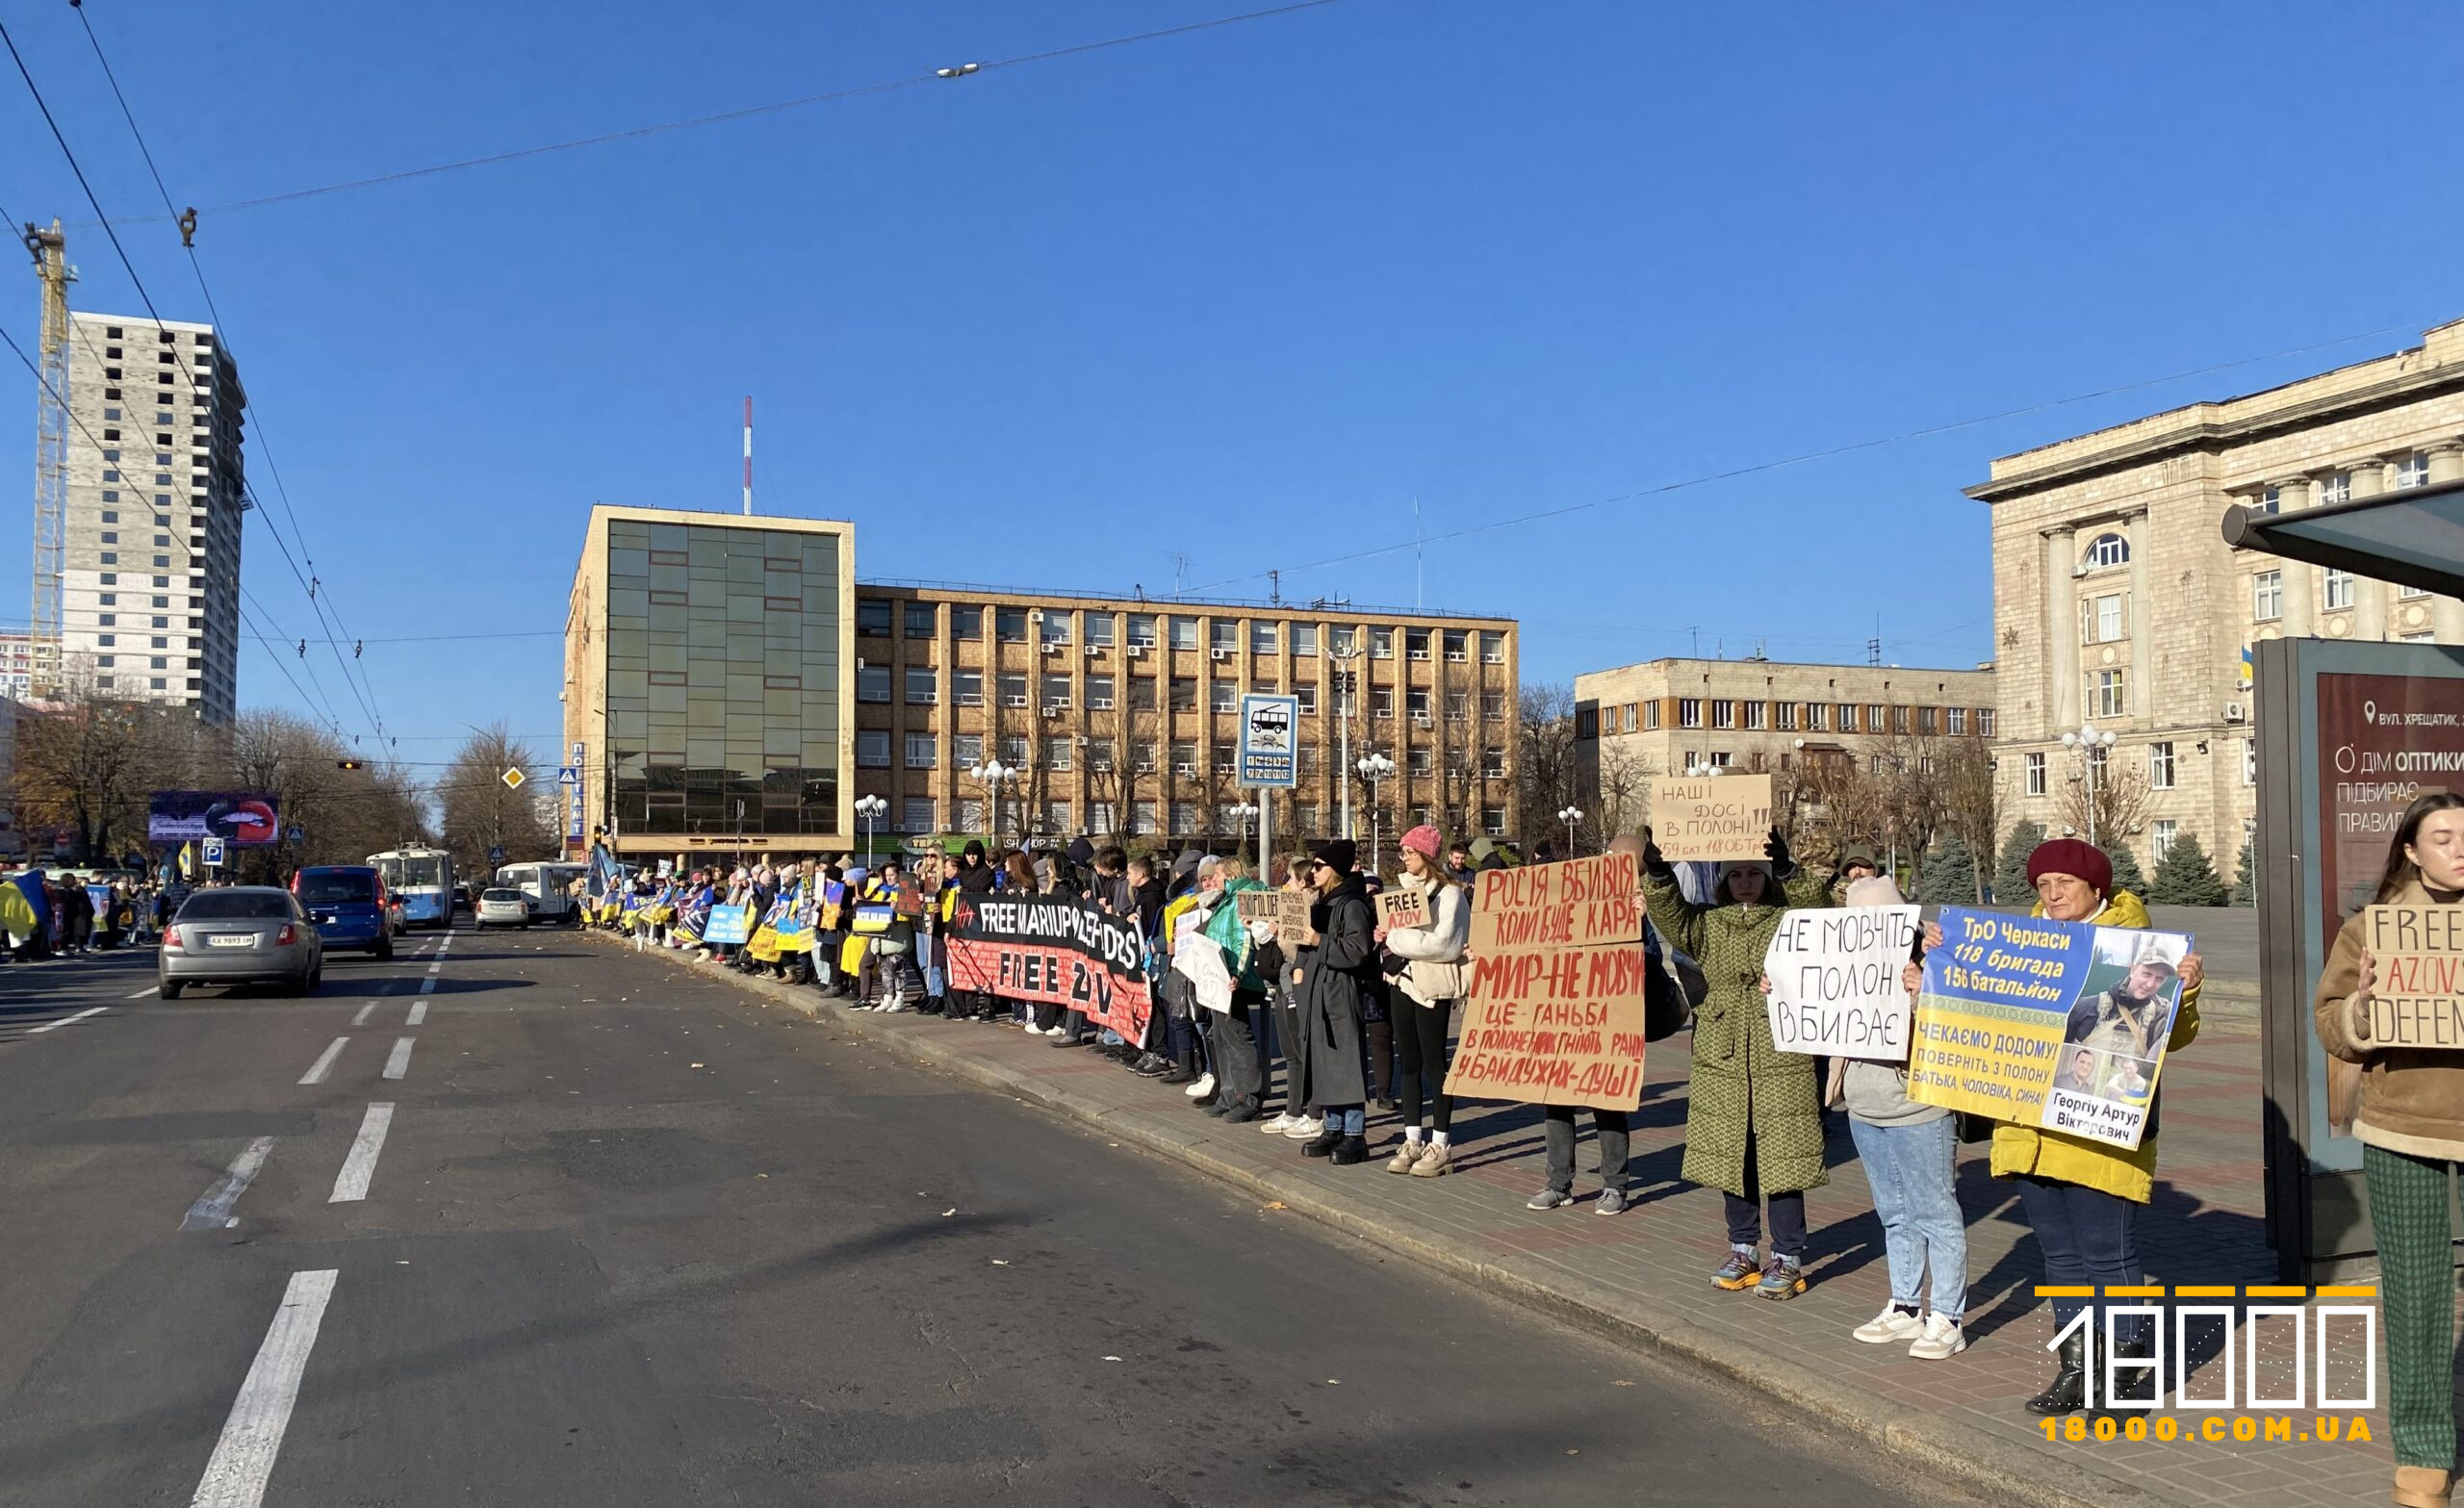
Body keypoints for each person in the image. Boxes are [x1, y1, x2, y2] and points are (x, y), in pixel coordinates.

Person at [1977, 836, 2203, 1419]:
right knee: (2060, 1258)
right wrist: (1929, 977)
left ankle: (2129, 1379)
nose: (2052, 895)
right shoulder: (2021, 947)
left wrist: (2188, 992)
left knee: (2109, 1254)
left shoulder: (2145, 953)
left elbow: (2171, 1039)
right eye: (2043, 885)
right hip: (2029, 1125)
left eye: (2065, 885)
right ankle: (2077, 1372)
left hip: (2101, 1126)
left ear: (2096, 889)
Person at [2317, 791, 2464, 1508]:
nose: (2460, 847)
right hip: (2404, 1123)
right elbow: (2331, 1023)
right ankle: (2424, 1457)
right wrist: (2365, 1008)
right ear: (2410, 848)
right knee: (2417, 1294)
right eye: (2443, 836)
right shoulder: (2373, 930)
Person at [1643, 831, 1829, 1294]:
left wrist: (1788, 870)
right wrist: (1660, 874)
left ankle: (1787, 1256)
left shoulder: (1789, 918)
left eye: (1755, 874)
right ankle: (1743, 1248)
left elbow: (1826, 916)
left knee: (1783, 1156)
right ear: (1724, 881)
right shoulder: (1709, 923)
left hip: (1780, 1048)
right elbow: (1670, 916)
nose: (1746, 882)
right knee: (1733, 1154)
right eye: (1737, 874)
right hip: (1721, 1050)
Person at [1828, 874, 1967, 1360]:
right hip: (1864, 1108)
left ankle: (1948, 1315)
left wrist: (1926, 991)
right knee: (1894, 1214)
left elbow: (1966, 1022)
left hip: (1919, 1108)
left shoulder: (1936, 962)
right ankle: (1906, 1306)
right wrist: (1779, 988)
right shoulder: (1838, 965)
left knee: (1936, 1212)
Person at [1378, 824, 1469, 1177]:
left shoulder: (1450, 894)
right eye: (1403, 852)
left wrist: (1396, 941)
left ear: (1427, 856)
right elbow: (1392, 935)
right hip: (1402, 982)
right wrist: (1386, 936)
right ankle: (1412, 1138)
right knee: (1409, 1063)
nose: (1404, 859)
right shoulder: (1402, 892)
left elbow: (1443, 944)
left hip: (1433, 987)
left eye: (1410, 853)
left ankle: (1441, 1142)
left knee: (1436, 1065)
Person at [1288, 839, 1374, 1164]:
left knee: (1345, 1061)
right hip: (1318, 991)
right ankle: (1333, 1126)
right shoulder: (1324, 902)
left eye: (1320, 865)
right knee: (1324, 1061)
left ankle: (1355, 1134)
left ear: (1335, 869)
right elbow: (1306, 946)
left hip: (1340, 991)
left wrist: (1318, 940)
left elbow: (1357, 950)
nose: (1314, 871)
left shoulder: (1351, 904)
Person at [2063, 942, 2181, 1059]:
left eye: (2159, 979)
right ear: (2133, 970)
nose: (2150, 984)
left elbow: (2181, 1038)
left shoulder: (2160, 1018)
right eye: (2146, 974)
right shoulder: (2086, 1006)